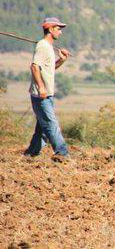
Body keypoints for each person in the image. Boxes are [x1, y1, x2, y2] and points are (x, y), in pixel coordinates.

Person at [24, 17, 72, 159]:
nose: (60, 33)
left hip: (46, 94)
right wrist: (41, 88)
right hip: (41, 95)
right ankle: (62, 153)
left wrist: (61, 60)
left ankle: (31, 152)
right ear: (50, 29)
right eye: (58, 29)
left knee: (43, 128)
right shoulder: (43, 46)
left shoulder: (48, 47)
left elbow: (49, 69)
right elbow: (34, 66)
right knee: (51, 123)